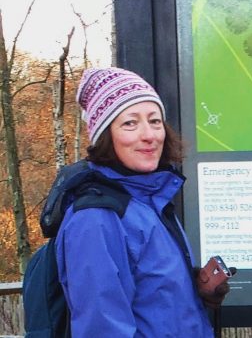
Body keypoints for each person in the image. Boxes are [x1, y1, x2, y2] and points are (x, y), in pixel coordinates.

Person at [55, 67, 233, 336]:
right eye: (130, 123)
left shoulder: (149, 202)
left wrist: (192, 290)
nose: (149, 135)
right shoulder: (96, 219)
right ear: (105, 136)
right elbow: (102, 329)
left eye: (155, 121)